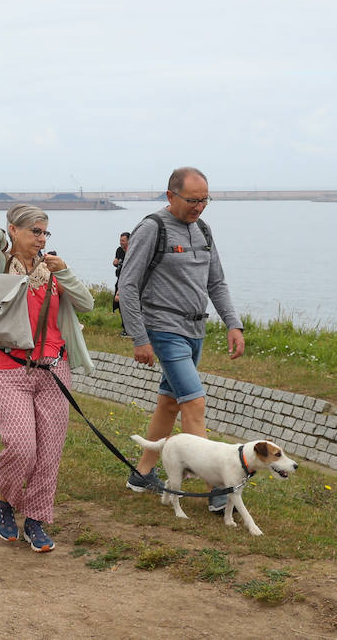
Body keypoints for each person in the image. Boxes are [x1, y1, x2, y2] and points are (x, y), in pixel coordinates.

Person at [120, 167, 245, 513]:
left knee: (170, 403)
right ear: (170, 195)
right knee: (194, 404)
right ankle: (215, 489)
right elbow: (128, 285)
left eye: (205, 200)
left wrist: (233, 324)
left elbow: (216, 282)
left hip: (195, 330)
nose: (200, 207)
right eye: (193, 200)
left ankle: (142, 473)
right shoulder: (151, 228)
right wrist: (139, 337)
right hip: (163, 329)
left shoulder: (203, 230)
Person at [0, 205, 95, 552]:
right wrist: (7, 238)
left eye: (45, 233)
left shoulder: (54, 270)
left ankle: (37, 520)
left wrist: (67, 271)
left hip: (54, 368)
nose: (41, 239)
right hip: (10, 368)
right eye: (35, 232)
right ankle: (6, 500)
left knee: (49, 454)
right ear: (14, 230)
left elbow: (86, 305)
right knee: (21, 447)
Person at [111, 231, 130, 314]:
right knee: (117, 299)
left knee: (124, 298)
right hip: (120, 277)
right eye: (120, 240)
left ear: (129, 241)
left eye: (123, 241)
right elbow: (116, 261)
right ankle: (120, 314)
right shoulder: (119, 250)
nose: (121, 243)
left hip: (128, 278)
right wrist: (115, 262)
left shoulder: (132, 251)